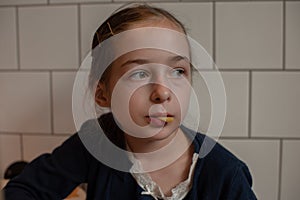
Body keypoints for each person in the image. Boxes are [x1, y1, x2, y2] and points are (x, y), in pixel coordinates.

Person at [3, 3, 257, 200]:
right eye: (139, 73)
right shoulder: (97, 142)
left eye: (178, 71)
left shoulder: (225, 174)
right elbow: (23, 190)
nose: (162, 91)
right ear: (103, 93)